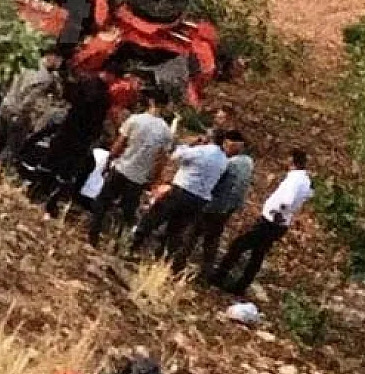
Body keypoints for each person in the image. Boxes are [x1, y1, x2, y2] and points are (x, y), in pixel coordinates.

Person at [211, 148, 312, 295]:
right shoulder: (305, 180)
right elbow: (306, 196)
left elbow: (287, 200)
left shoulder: (294, 179)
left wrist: (277, 211)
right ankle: (240, 286)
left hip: (271, 221)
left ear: (292, 160)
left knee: (239, 245)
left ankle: (219, 276)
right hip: (281, 223)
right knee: (258, 255)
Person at [130, 129, 229, 272]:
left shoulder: (201, 151)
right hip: (199, 200)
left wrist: (190, 145)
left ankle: (134, 246)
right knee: (177, 229)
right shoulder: (224, 161)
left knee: (154, 217)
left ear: (209, 138)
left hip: (182, 191)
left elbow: (175, 156)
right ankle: (161, 259)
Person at [88, 91, 174, 246]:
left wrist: (109, 160)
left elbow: (119, 144)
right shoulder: (166, 132)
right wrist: (153, 178)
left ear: (151, 101)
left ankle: (93, 233)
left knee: (103, 201)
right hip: (139, 177)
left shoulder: (135, 120)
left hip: (122, 168)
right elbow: (161, 159)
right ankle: (118, 241)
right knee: (127, 211)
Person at [39, 71, 111, 219]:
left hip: (67, 130)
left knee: (51, 162)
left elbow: (69, 97)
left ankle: (37, 191)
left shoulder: (84, 82)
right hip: (81, 139)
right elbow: (97, 124)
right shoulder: (104, 97)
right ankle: (51, 201)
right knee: (66, 172)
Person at [192, 130, 253, 277]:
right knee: (212, 238)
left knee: (193, 232)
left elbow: (216, 181)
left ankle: (177, 262)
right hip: (229, 208)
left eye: (227, 144)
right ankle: (207, 270)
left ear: (236, 145)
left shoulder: (230, 163)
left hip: (215, 205)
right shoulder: (248, 162)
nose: (225, 147)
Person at [0, 48, 62, 167]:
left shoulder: (28, 63)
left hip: (6, 105)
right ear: (52, 57)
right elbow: (29, 100)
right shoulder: (45, 78)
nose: (59, 64)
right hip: (19, 115)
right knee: (10, 151)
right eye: (59, 60)